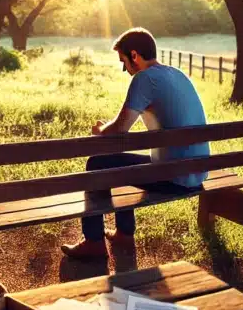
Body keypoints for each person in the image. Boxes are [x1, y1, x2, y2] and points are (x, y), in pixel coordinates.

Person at [61, 28, 211, 259]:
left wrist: (99, 130)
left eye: (123, 61)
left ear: (134, 55)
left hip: (175, 177)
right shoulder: (177, 74)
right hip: (197, 173)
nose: (124, 69)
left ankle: (93, 243)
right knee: (120, 165)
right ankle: (124, 234)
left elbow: (120, 129)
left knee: (96, 164)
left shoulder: (145, 78)